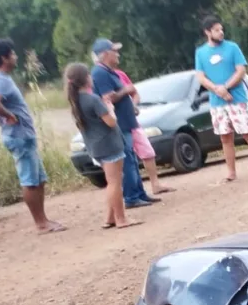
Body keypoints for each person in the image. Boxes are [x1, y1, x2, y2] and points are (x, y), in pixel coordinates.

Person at [0, 39, 65, 234]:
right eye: (13, 54)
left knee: (39, 179)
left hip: (23, 135)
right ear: (4, 57)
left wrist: (0, 118)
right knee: (30, 180)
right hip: (19, 136)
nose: (16, 56)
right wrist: (9, 116)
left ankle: (44, 219)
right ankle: (41, 224)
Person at [194, 15, 248, 183]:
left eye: (221, 29)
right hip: (217, 102)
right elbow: (201, 77)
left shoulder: (232, 48)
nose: (221, 32)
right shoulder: (201, 53)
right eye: (216, 30)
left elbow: (241, 70)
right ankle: (231, 172)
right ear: (207, 32)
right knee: (225, 137)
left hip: (237, 99)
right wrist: (217, 90)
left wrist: (226, 87)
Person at [65, 63, 140, 229]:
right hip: (109, 144)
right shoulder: (93, 100)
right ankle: (121, 219)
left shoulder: (76, 101)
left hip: (95, 146)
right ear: (85, 79)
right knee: (115, 183)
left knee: (110, 181)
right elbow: (111, 122)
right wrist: (110, 108)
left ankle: (110, 218)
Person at [91, 38, 161, 209]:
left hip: (126, 122)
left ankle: (140, 193)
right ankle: (131, 197)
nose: (118, 54)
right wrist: (126, 90)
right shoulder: (100, 73)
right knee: (128, 162)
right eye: (114, 51)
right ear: (105, 54)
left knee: (132, 160)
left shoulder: (110, 71)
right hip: (119, 125)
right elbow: (108, 99)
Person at [113, 66, 175, 195]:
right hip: (119, 123)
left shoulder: (120, 74)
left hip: (132, 121)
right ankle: (129, 191)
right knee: (126, 158)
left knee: (147, 151)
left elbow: (135, 93)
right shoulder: (102, 79)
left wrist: (134, 105)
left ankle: (155, 184)